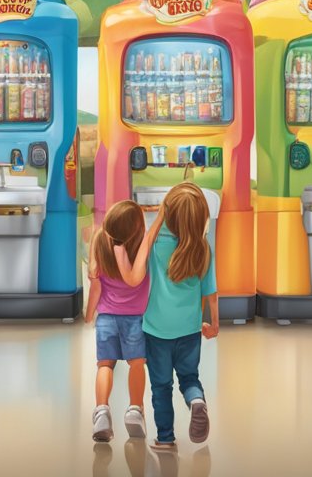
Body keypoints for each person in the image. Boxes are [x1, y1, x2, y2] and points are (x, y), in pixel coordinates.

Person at [143, 183, 219, 451]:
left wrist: (159, 216)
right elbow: (211, 292)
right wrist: (215, 325)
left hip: (156, 330)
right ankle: (196, 401)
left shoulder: (156, 246)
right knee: (189, 378)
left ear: (168, 213)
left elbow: (143, 248)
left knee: (161, 386)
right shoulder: (203, 247)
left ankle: (165, 438)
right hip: (189, 329)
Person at [86, 200, 165, 442]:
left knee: (105, 365)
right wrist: (162, 213)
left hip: (107, 316)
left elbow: (95, 284)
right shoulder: (142, 247)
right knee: (137, 364)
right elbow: (152, 236)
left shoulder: (100, 240)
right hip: (135, 318)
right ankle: (134, 410)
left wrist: (90, 314)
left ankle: (101, 410)